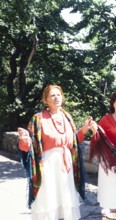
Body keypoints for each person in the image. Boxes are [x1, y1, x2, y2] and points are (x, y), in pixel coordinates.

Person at [17, 84, 97, 220]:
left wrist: (84, 129)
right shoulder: (38, 118)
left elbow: (73, 142)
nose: (56, 98)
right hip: (48, 164)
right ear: (45, 100)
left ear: (62, 97)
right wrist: (25, 140)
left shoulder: (67, 117)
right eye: (52, 95)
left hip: (66, 166)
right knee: (48, 199)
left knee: (65, 199)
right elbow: (30, 147)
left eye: (58, 95)